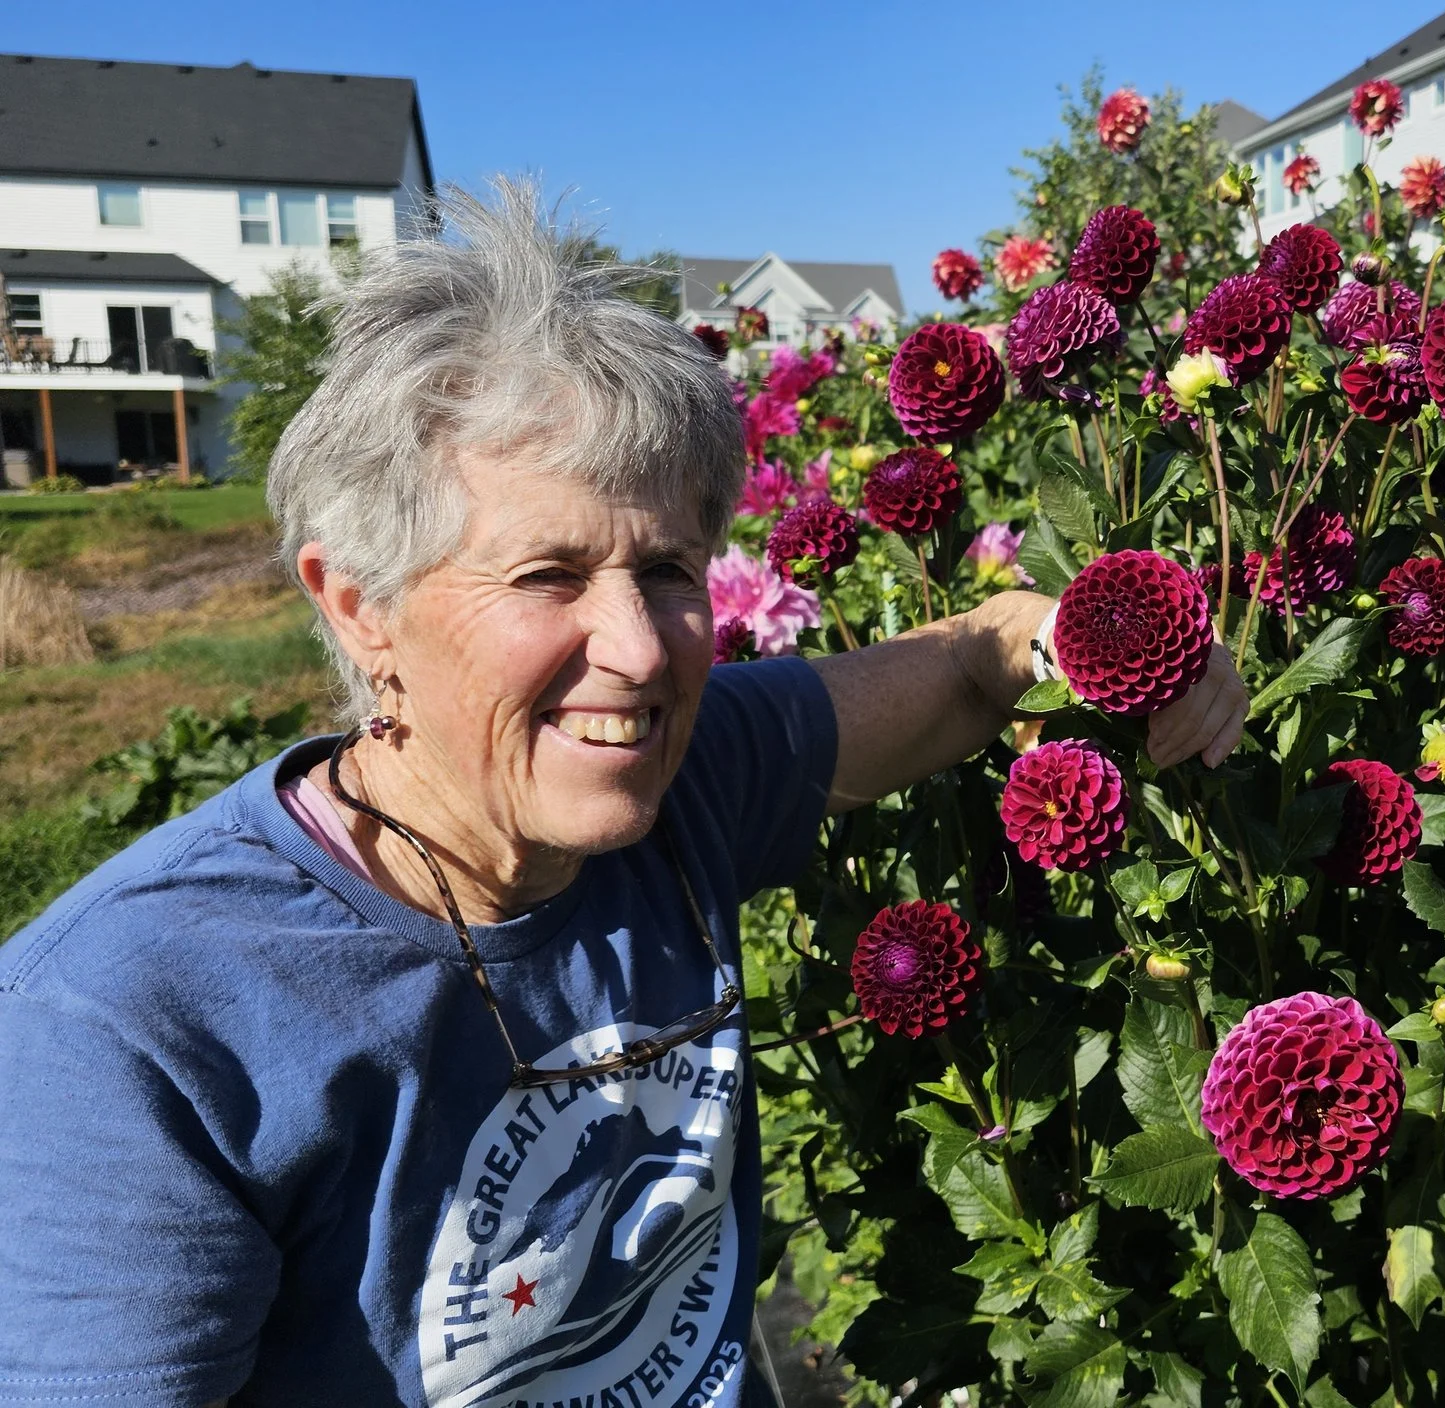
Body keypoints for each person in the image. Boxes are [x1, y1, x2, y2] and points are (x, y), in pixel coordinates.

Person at [0, 184, 1246, 1406]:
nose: (641, 650)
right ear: (357, 603)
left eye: (666, 567)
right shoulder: (123, 1029)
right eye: (547, 573)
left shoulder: (677, 784)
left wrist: (1092, 638)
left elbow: (968, 671)